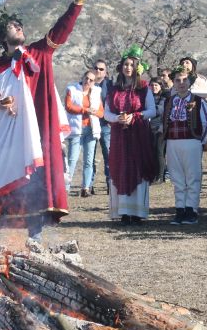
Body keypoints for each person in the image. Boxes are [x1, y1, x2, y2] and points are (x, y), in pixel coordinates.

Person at [0, 0, 90, 248]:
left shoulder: (38, 53)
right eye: (13, 26)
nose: (18, 28)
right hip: (4, 135)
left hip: (33, 131)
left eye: (20, 25)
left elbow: (62, 30)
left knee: (34, 182)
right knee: (0, 179)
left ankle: (35, 241)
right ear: (2, 36)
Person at [103, 45, 157, 224]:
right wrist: (118, 118)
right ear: (121, 67)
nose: (128, 67)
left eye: (132, 65)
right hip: (119, 137)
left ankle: (138, 213)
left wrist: (135, 116)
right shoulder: (114, 90)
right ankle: (124, 212)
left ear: (137, 68)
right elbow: (106, 113)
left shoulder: (143, 88)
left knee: (138, 169)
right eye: (125, 64)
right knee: (121, 169)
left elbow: (152, 110)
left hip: (139, 135)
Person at [164, 66, 207, 225]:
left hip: (192, 141)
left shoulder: (197, 100)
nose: (181, 83)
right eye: (177, 80)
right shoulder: (170, 101)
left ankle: (191, 210)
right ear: (174, 83)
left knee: (192, 177)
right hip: (172, 142)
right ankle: (180, 210)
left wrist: (200, 140)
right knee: (177, 178)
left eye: (185, 79)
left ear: (190, 81)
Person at [64, 70, 104, 197]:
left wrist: (93, 112)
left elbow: (101, 112)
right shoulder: (72, 89)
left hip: (91, 130)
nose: (88, 81)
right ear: (82, 77)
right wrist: (84, 110)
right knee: (72, 159)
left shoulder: (97, 92)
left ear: (94, 82)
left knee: (88, 160)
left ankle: (85, 188)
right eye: (86, 78)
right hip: (77, 129)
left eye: (91, 80)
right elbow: (68, 106)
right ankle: (65, 188)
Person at [89, 59, 112, 194]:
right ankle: (89, 184)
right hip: (90, 124)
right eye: (96, 68)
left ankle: (110, 183)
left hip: (105, 124)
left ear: (106, 72)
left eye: (101, 69)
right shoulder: (86, 83)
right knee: (90, 155)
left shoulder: (110, 85)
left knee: (108, 154)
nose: (98, 71)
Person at [149, 78, 169, 183]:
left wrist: (148, 110)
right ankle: (154, 175)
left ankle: (161, 177)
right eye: (152, 85)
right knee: (152, 152)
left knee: (159, 152)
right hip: (149, 128)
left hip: (161, 128)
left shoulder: (164, 97)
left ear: (161, 86)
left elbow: (160, 110)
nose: (154, 87)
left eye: (156, 85)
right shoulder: (148, 97)